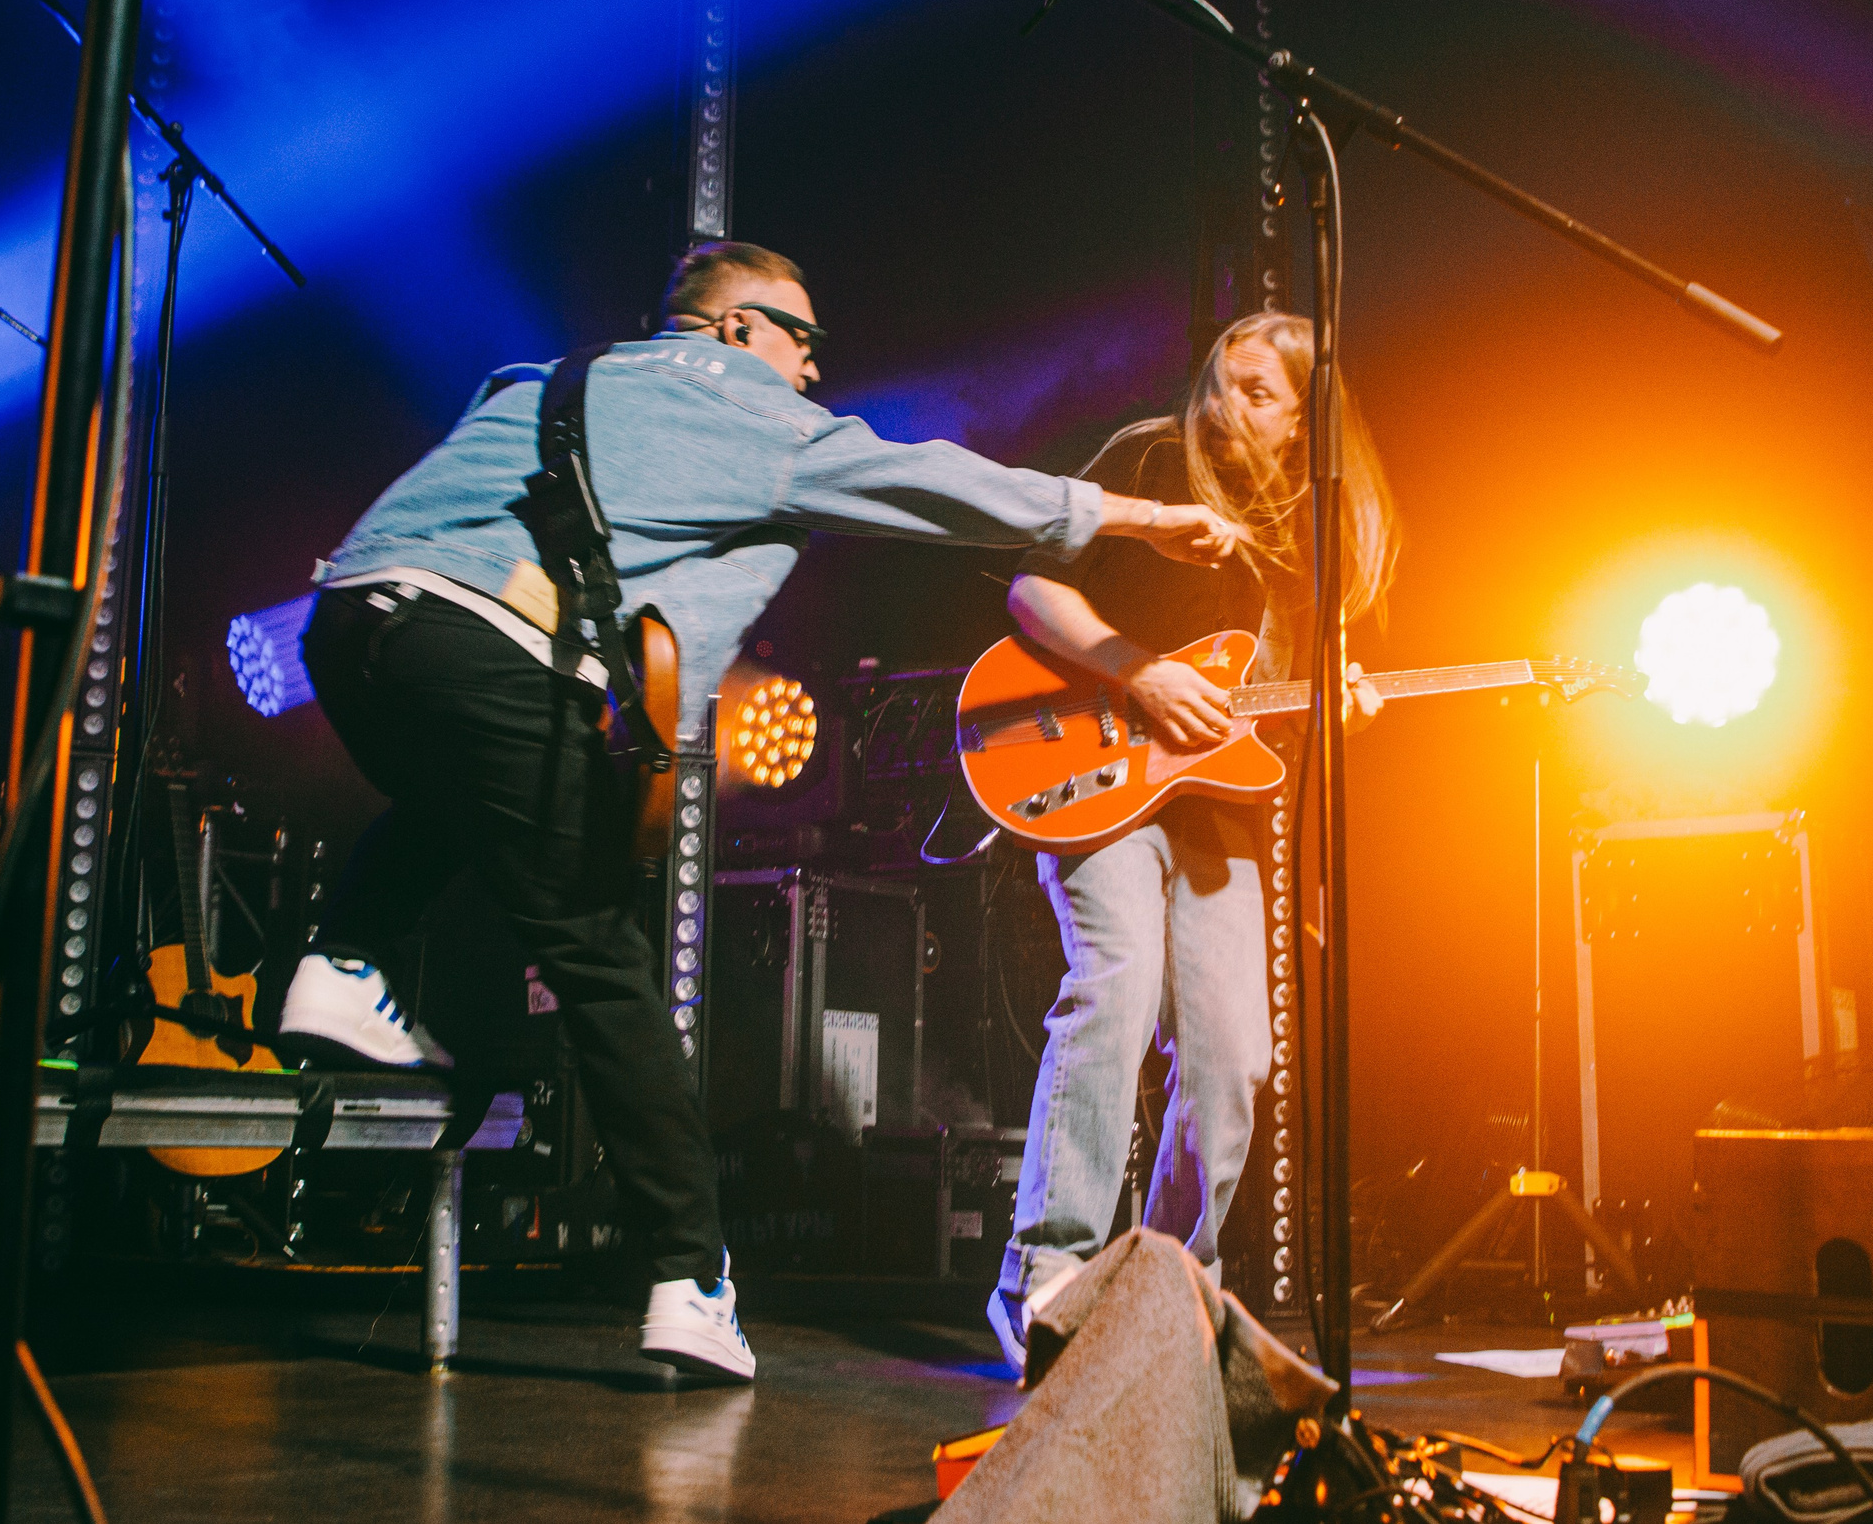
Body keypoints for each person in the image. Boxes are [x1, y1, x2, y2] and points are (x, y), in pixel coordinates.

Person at [283, 241, 1243, 1383]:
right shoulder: (754, 413)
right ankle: (690, 1283)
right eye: (802, 337)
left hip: (352, 626)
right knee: (598, 955)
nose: (811, 370)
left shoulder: (543, 377)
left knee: (465, 785)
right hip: (490, 651)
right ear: (736, 329)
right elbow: (944, 484)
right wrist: (1133, 517)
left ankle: (339, 956)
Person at [988, 310, 1400, 1371]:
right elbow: (1030, 586)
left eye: (1257, 393)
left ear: (1308, 416)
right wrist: (1138, 667)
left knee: (1234, 1060)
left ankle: (1167, 1285)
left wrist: (1332, 693)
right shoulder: (1149, 453)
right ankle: (1047, 1275)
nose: (1224, 405)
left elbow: (1279, 700)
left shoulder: (1321, 523)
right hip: (1095, 782)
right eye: (1221, 379)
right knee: (1114, 985)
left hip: (1220, 813)